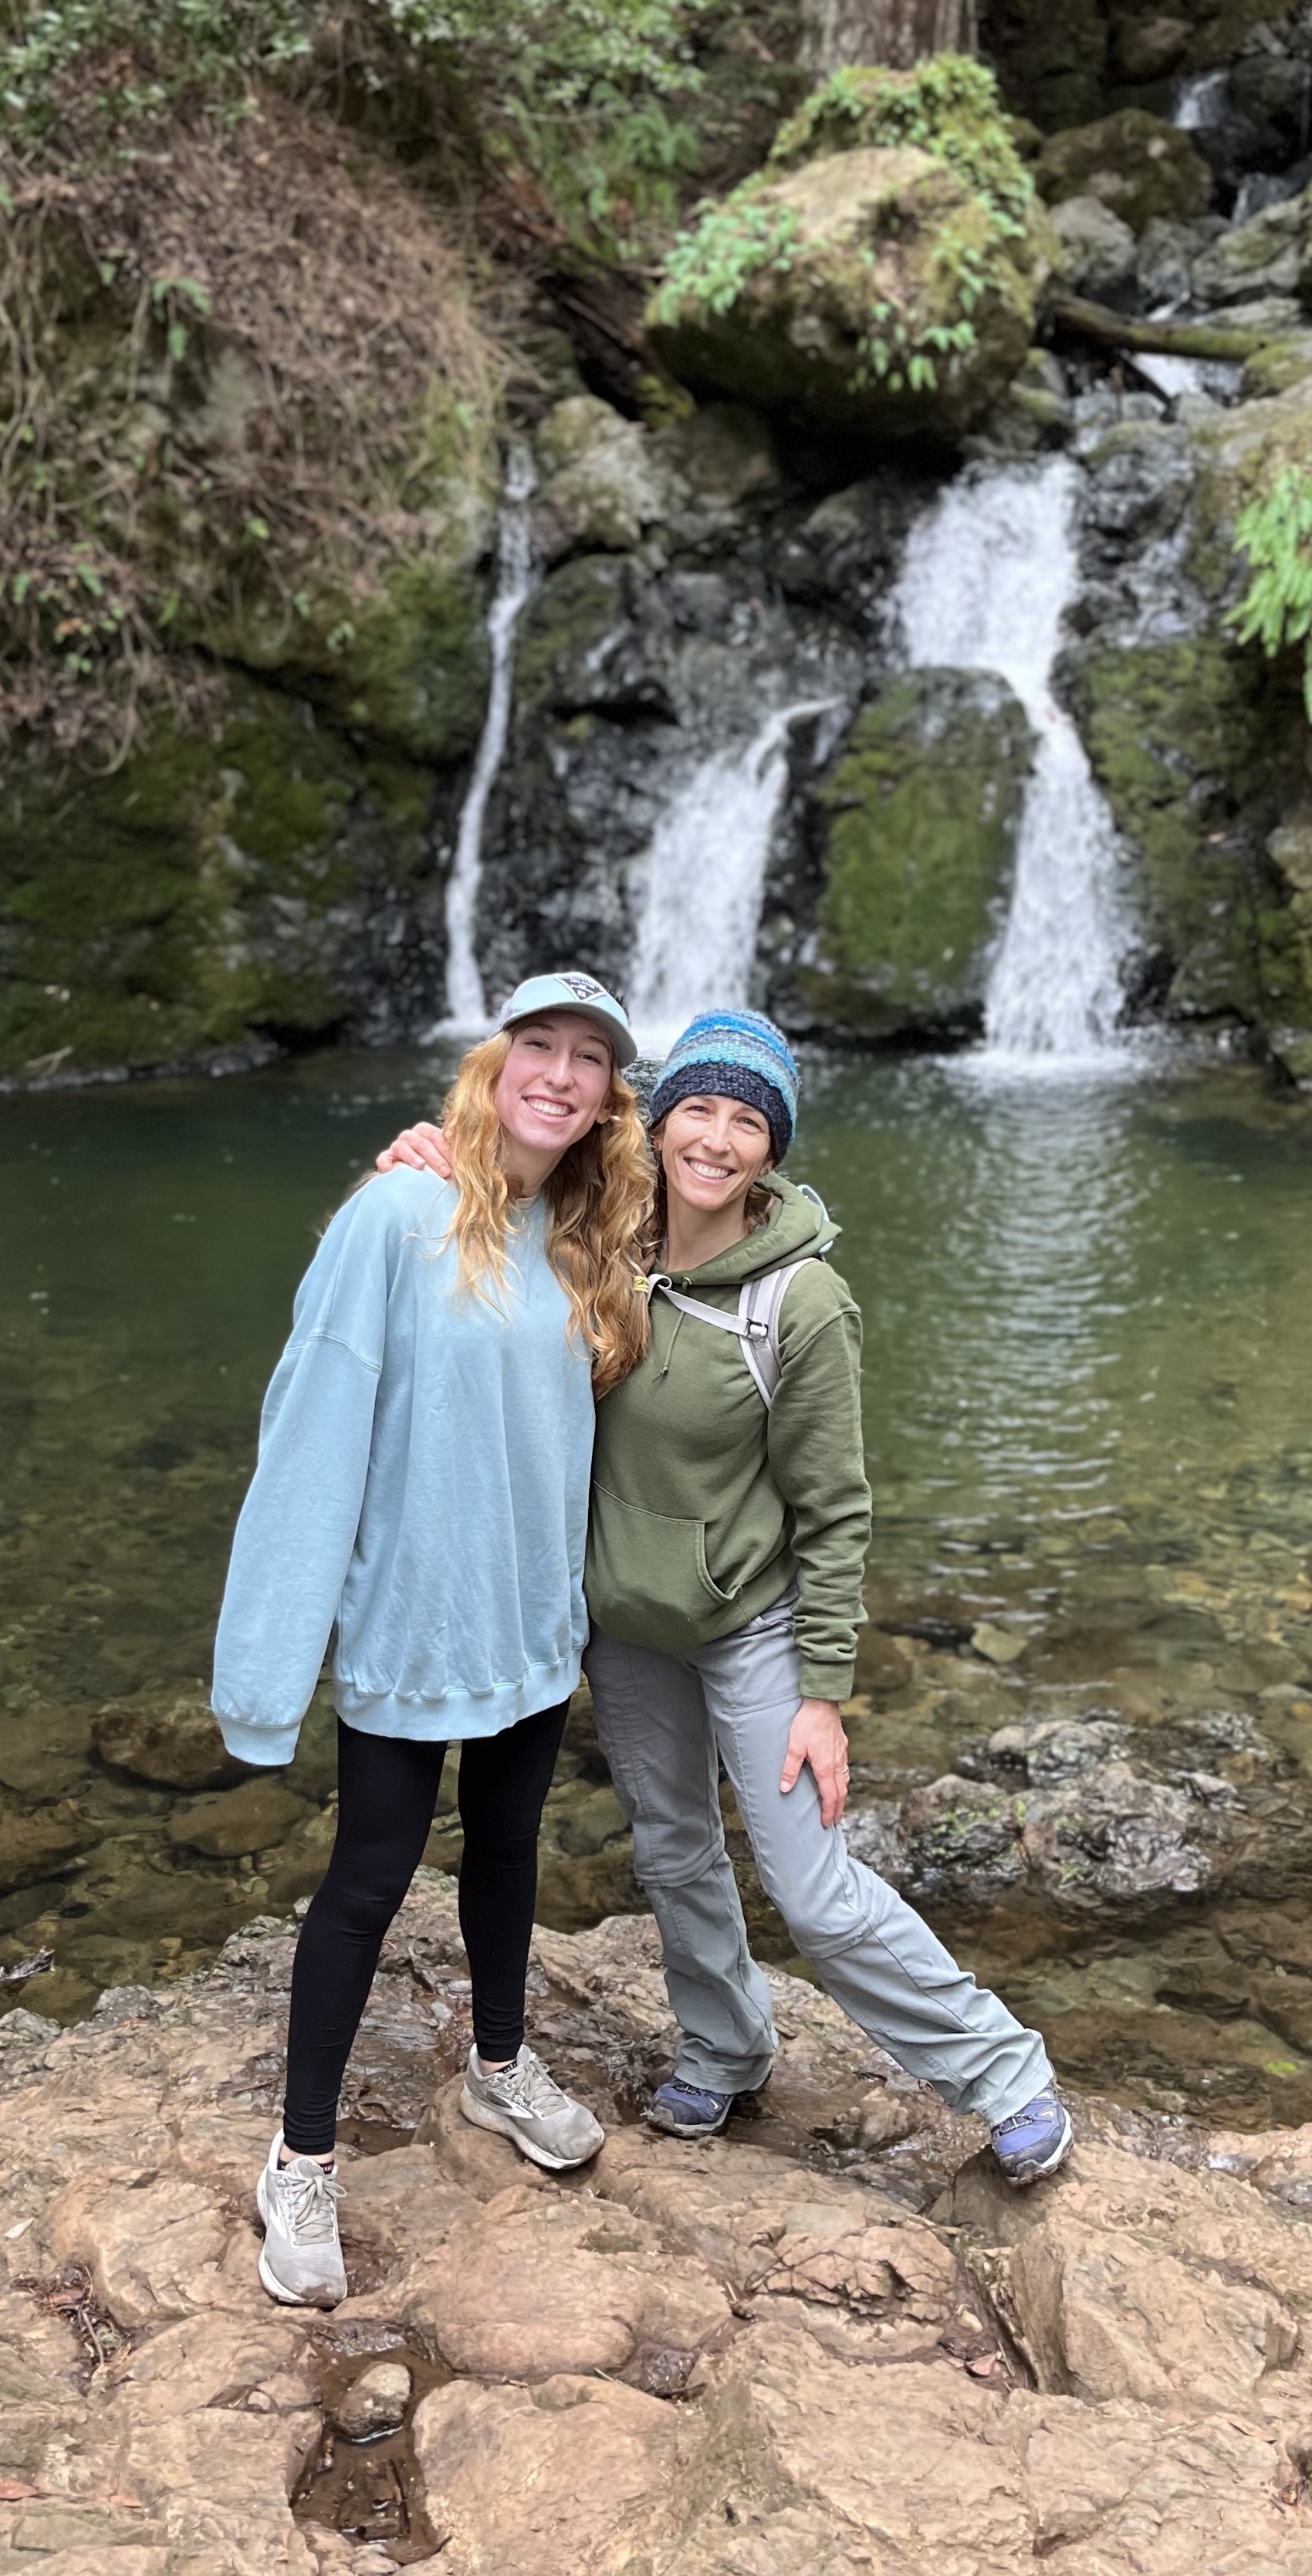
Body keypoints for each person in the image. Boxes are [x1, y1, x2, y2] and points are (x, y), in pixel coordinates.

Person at [377, 1007, 1074, 2183]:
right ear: (656, 1118)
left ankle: (1005, 2075)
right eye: (696, 1107)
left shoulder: (803, 1303)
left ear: (772, 1149)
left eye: (747, 1121)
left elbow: (837, 1509)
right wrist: (419, 1159)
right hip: (628, 1625)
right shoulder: (598, 1236)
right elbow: (481, 1222)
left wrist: (825, 1691)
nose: (716, 1138)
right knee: (675, 1853)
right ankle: (726, 2047)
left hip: (752, 1625)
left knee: (814, 1889)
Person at [212, 973, 654, 2305]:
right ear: (496, 1060)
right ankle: (299, 2159)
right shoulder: (397, 1214)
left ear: (604, 1104)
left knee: (511, 1849)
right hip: (414, 1620)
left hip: (528, 1622)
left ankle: (501, 2064)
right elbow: (311, 1434)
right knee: (368, 1879)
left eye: (589, 1060)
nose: (562, 1074)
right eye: (541, 1046)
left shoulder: (588, 1241)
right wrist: (268, 1670)